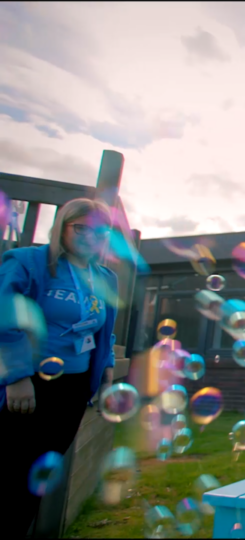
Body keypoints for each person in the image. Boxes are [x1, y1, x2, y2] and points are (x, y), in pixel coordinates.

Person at [0, 198, 119, 537]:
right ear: (62, 226)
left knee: (36, 478)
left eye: (100, 231)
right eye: (81, 227)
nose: (90, 237)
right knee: (9, 472)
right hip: (28, 385)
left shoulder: (104, 278)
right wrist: (17, 377)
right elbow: (5, 320)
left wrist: (106, 370)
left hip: (72, 389)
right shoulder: (27, 262)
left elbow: (103, 330)